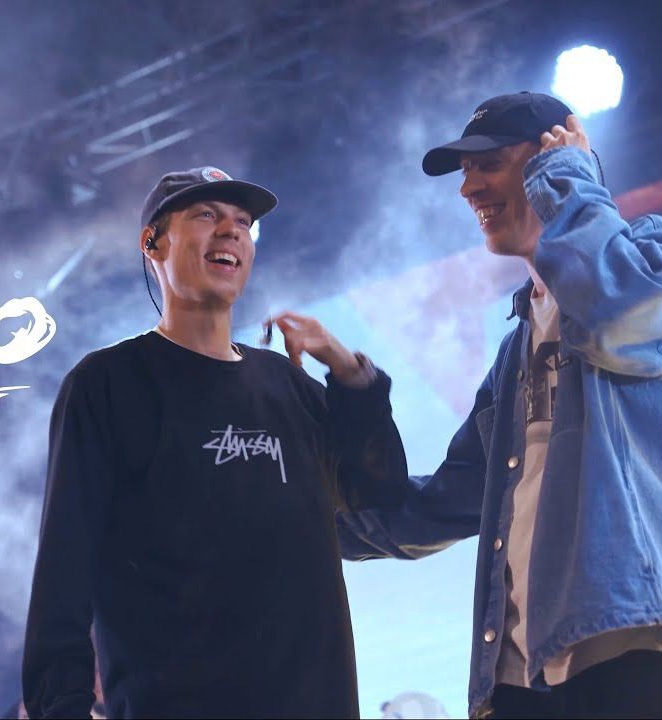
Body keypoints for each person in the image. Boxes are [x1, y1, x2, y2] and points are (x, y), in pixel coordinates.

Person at [335, 92, 662, 718]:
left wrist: (568, 176)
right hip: (523, 676)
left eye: (489, 164)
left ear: (554, 155)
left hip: (637, 644)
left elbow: (617, 317)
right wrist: (295, 518)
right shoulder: (514, 352)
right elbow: (433, 508)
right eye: (465, 171)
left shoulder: (659, 253)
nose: (468, 187)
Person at [21, 166, 408, 718]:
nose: (231, 231)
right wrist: (60, 707)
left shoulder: (286, 384)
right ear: (153, 243)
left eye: (243, 223)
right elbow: (64, 571)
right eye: (206, 215)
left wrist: (349, 372)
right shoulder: (107, 385)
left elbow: (379, 488)